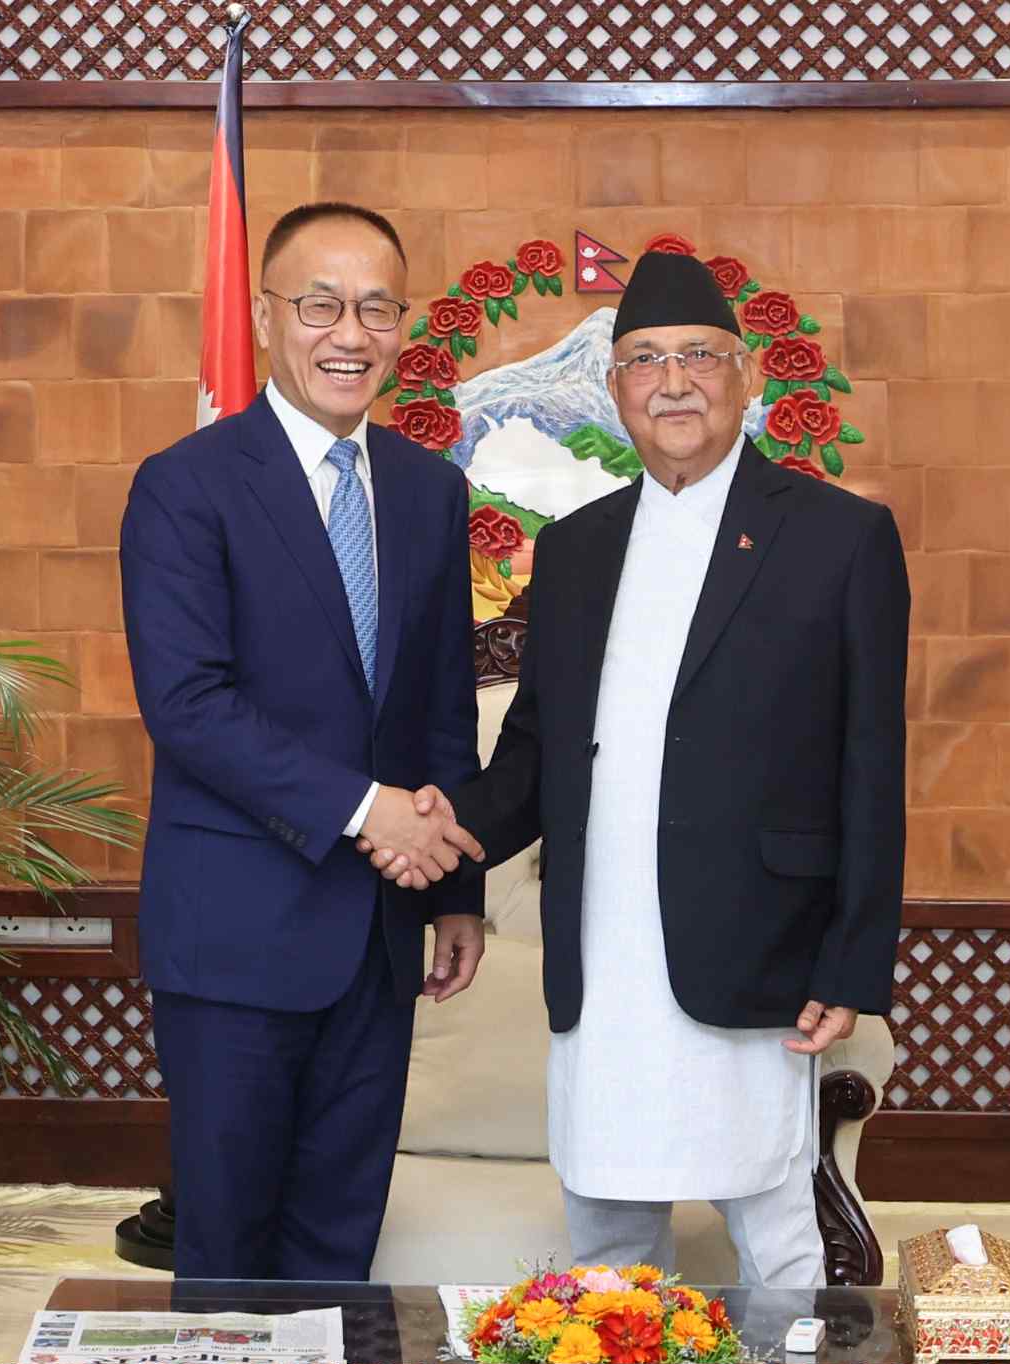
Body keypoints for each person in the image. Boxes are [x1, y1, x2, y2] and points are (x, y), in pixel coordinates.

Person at [365, 251, 910, 1286]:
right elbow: (533, 749)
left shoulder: (839, 538)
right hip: (604, 946)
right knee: (610, 1235)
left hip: (756, 945)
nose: (673, 382)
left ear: (744, 374)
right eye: (646, 360)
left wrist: (852, 966)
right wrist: (446, 831)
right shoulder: (576, 548)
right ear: (615, 389)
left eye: (698, 356)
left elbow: (872, 763)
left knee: (778, 1239)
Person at [120, 201, 488, 1281]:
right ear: (266, 316)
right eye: (321, 305)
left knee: (337, 1247)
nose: (350, 334)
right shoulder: (185, 484)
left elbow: (442, 706)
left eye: (377, 308)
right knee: (229, 1251)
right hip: (235, 932)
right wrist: (366, 809)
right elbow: (188, 702)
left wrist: (455, 890)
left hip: (379, 936)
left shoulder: (429, 489)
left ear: (402, 325)